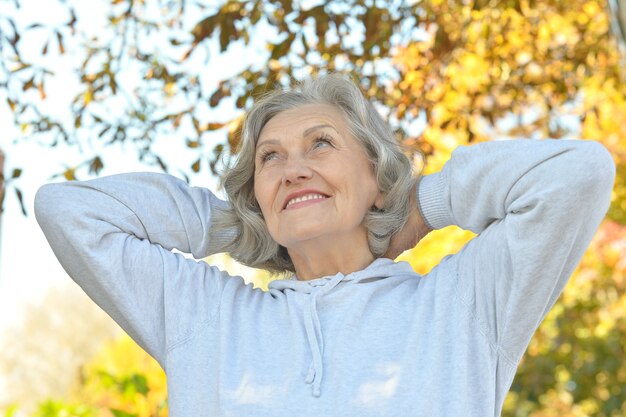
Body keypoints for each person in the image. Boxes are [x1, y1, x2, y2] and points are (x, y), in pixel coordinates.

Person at [35, 74, 615, 417]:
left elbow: (578, 173)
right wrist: (241, 228)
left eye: (321, 145)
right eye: (271, 159)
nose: (293, 170)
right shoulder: (206, 317)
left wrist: (423, 207)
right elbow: (70, 211)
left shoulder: (461, 307)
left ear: (378, 178)